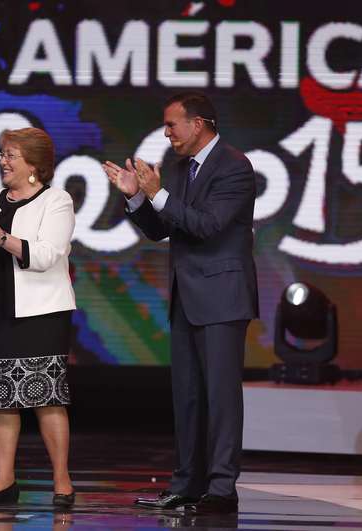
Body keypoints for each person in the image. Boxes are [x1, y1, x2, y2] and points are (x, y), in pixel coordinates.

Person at [103, 92, 258, 514]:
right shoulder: (180, 168)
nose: (167, 132)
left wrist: (160, 195)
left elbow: (207, 226)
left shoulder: (234, 166)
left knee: (221, 398)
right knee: (188, 396)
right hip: (187, 297)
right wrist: (137, 195)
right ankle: (187, 484)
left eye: (172, 124)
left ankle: (222, 489)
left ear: (199, 124)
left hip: (222, 298)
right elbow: (162, 228)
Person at [0, 127, 76, 508]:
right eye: (1, 153)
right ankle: (4, 481)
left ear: (34, 164)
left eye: (10, 154)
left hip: (41, 313)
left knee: (47, 398)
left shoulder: (56, 201)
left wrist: (0, 238)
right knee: (2, 399)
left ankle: (62, 481)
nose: (2, 161)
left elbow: (47, 255)